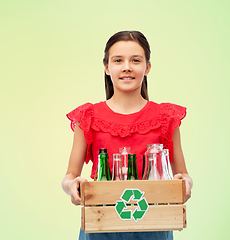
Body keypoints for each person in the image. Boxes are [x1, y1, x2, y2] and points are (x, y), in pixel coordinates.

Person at [62, 30, 193, 240]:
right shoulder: (89, 117)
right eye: (118, 60)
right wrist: (72, 186)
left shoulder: (166, 118)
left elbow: (183, 174)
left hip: (153, 225)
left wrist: (184, 184)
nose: (126, 67)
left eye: (135, 60)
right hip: (101, 224)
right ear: (107, 67)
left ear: (147, 67)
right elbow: (69, 176)